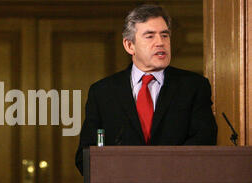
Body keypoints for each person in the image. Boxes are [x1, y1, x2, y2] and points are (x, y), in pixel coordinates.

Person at [75, 5, 217, 174]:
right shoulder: (103, 92)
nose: (160, 42)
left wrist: (160, 170)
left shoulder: (194, 86)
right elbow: (85, 156)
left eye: (165, 35)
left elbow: (204, 142)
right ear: (129, 46)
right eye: (150, 36)